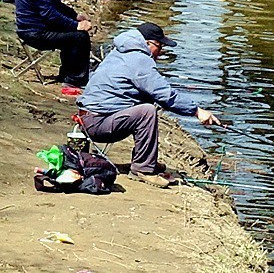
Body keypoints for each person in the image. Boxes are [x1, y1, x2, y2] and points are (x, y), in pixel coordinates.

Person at [79, 23, 222, 186]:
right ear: (147, 43)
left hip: (90, 118)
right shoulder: (139, 59)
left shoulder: (121, 51)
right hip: (97, 124)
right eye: (159, 47)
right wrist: (196, 111)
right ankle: (143, 169)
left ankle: (145, 160)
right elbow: (165, 94)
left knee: (147, 101)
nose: (160, 53)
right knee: (147, 112)